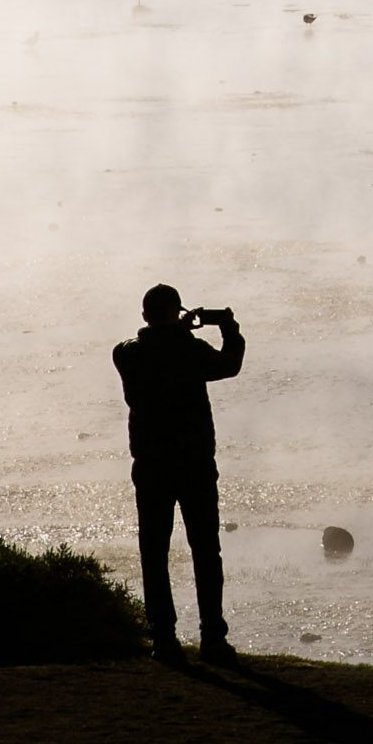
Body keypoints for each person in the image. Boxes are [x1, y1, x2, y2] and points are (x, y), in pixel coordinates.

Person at [111, 284, 244, 662]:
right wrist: (228, 328)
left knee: (154, 552)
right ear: (175, 312)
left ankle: (163, 638)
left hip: (151, 465)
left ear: (144, 317)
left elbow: (132, 346)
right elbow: (229, 365)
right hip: (194, 463)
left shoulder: (128, 355)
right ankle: (212, 638)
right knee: (205, 550)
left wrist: (175, 327)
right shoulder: (191, 350)